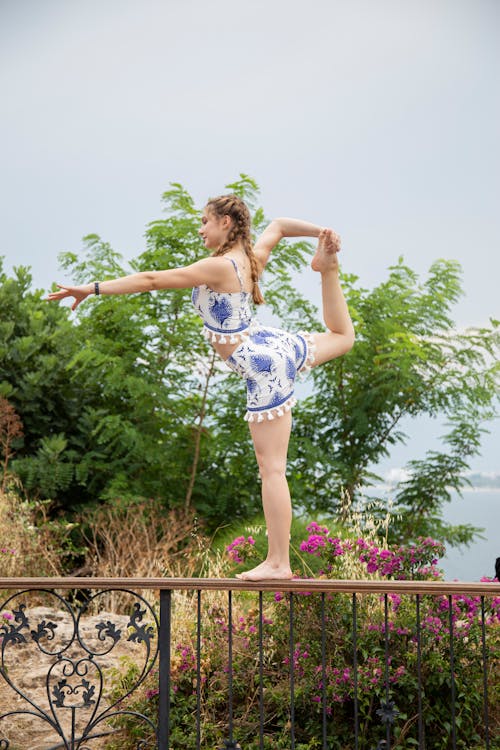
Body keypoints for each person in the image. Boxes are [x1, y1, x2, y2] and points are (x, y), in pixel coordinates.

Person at [47, 194, 355, 580]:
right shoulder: (250, 259)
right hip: (268, 345)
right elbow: (277, 226)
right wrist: (321, 234)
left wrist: (90, 289)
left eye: (205, 221)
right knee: (343, 337)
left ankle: (278, 562)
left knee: (272, 469)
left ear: (226, 223)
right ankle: (328, 270)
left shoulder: (219, 267)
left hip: (260, 364)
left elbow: (152, 280)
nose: (200, 228)